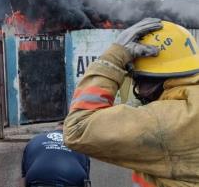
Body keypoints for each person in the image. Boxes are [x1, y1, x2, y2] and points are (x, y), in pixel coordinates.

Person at [63, 18, 199, 187]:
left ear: (151, 80)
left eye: (138, 81)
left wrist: (112, 59)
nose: (138, 89)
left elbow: (78, 128)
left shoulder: (165, 121)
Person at [21, 122, 90, 187]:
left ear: (56, 128)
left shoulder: (35, 140)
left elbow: (23, 179)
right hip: (71, 179)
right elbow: (86, 181)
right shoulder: (79, 144)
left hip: (37, 179)